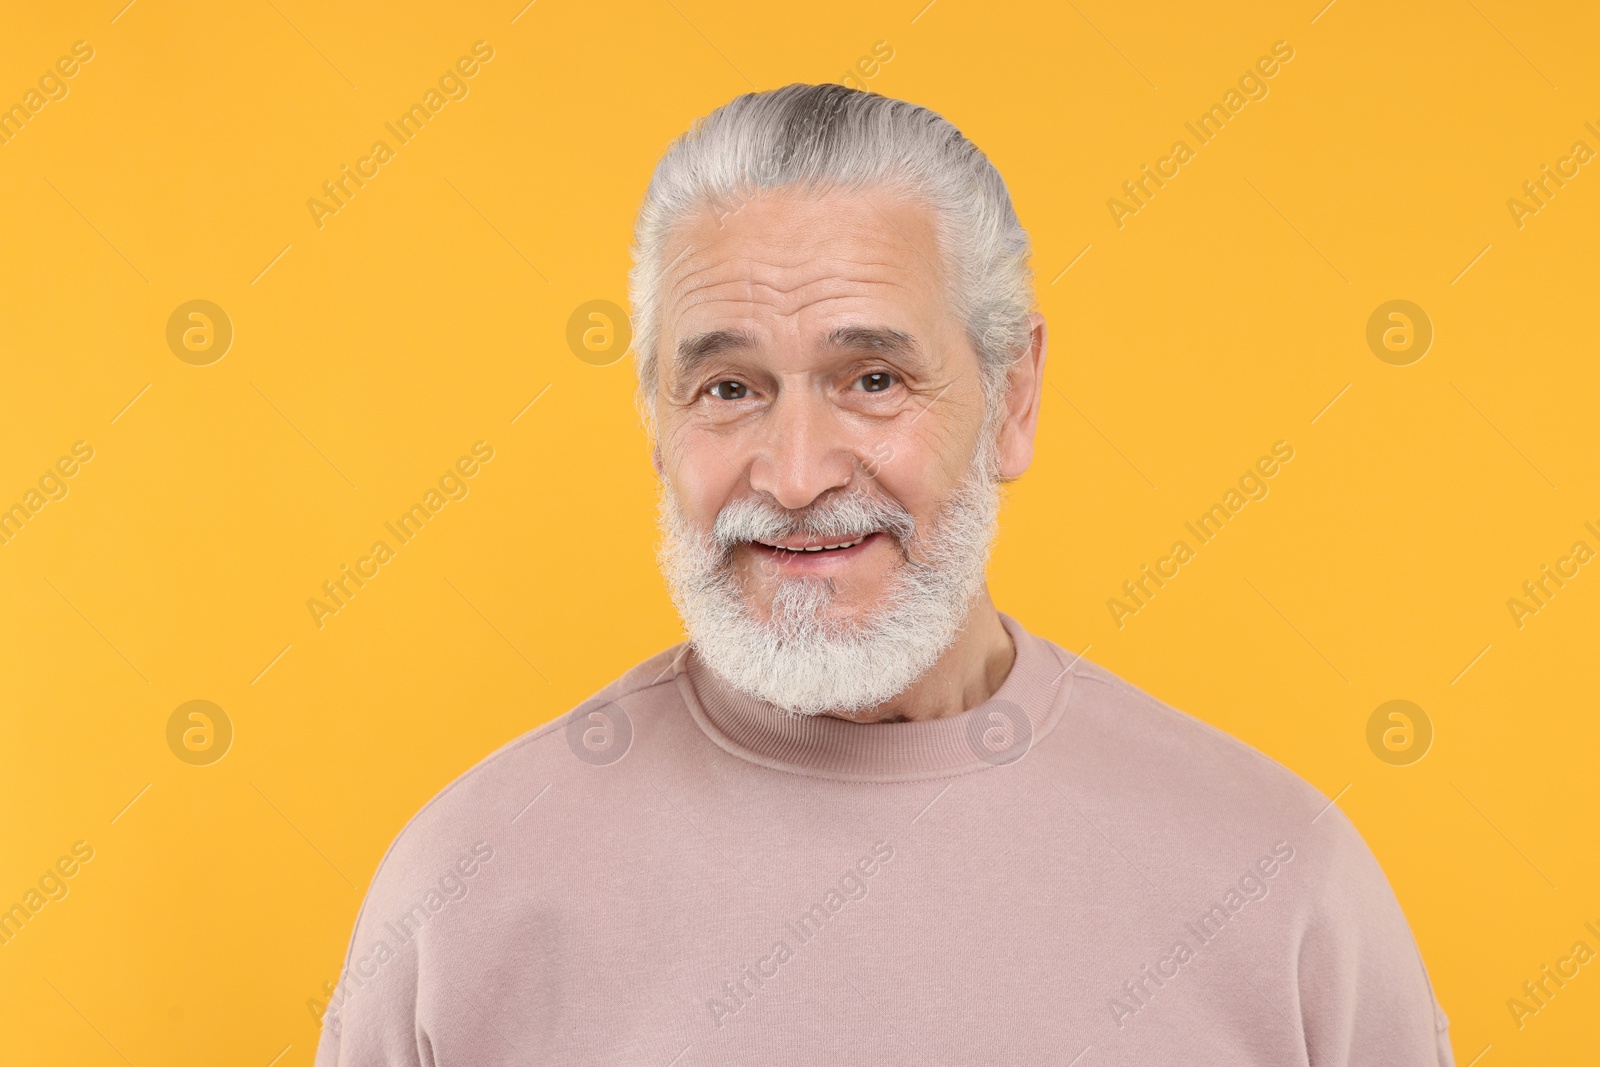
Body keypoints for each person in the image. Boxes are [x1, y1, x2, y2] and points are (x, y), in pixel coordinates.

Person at [315, 83, 1454, 1066]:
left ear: (1011, 400)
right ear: (654, 424)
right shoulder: (462, 891)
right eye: (728, 388)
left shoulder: (1279, 879)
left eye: (871, 378)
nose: (798, 473)